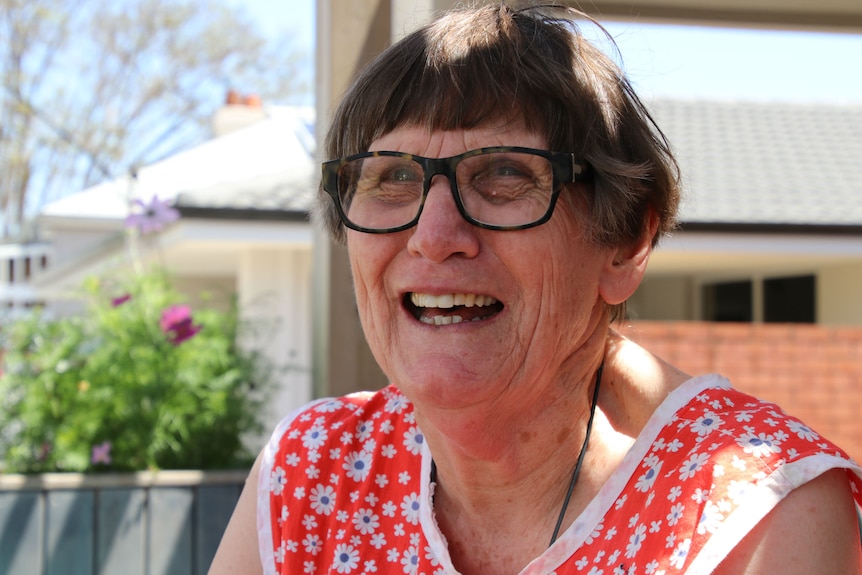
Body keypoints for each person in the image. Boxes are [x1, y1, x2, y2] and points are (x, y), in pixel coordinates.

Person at [209, 2, 862, 574]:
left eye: (504, 173)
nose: (434, 235)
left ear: (625, 242)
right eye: (393, 177)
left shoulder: (762, 512)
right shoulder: (310, 474)